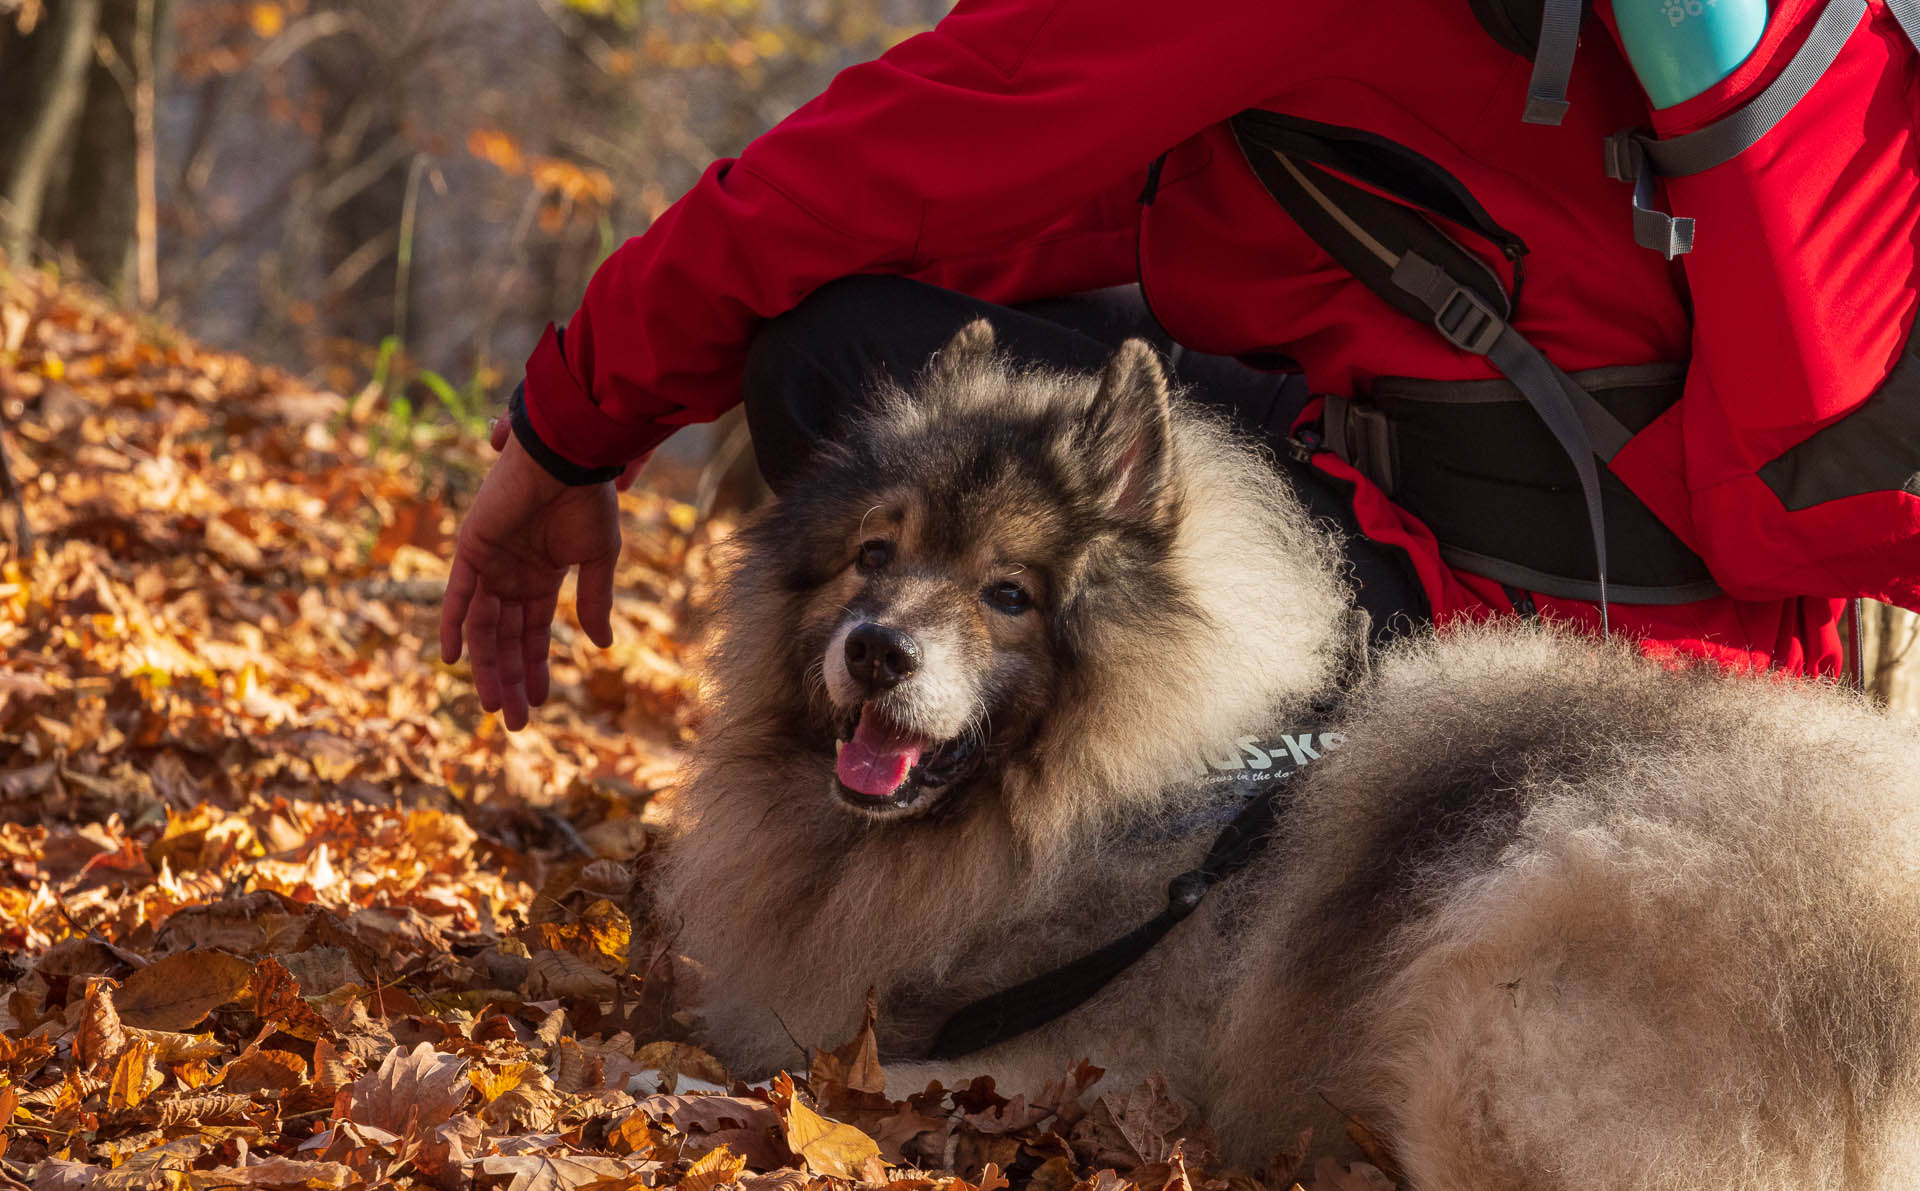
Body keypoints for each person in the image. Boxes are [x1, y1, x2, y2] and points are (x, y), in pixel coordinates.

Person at [441, 0, 1920, 731]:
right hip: (1694, 615)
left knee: (848, 371)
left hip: (1511, 639)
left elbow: (894, 153)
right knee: (898, 334)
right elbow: (1049, 196)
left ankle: (978, 880)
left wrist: (569, 427)